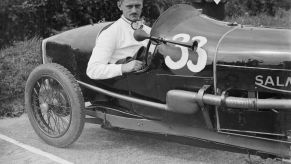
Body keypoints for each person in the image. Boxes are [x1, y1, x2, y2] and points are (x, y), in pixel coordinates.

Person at [87, 0, 151, 80]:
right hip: (129, 86)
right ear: (119, 6)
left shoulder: (150, 31)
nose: (134, 10)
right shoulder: (110, 32)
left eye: (137, 6)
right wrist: (122, 68)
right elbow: (93, 70)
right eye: (129, 6)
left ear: (142, 5)